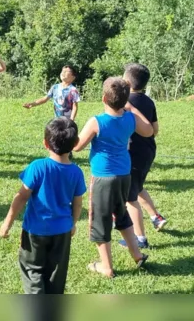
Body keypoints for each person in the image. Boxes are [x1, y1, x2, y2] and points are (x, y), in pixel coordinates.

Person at [73, 77, 154, 278]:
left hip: (103, 177)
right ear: (126, 100)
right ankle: (136, 254)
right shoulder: (130, 118)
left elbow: (77, 146)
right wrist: (131, 108)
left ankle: (106, 267)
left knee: (100, 220)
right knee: (122, 214)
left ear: (103, 98)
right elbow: (149, 130)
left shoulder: (97, 121)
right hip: (124, 175)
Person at [0, 117, 86, 294]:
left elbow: (21, 197)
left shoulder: (38, 167)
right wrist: (73, 223)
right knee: (56, 274)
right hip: (62, 231)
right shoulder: (76, 172)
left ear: (45, 143)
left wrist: (7, 223)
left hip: (35, 232)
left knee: (32, 270)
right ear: (76, 143)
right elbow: (78, 204)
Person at [118, 64, 167, 250]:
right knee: (137, 187)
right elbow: (154, 130)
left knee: (130, 199)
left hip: (132, 153)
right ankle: (156, 217)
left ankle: (140, 239)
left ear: (127, 81)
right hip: (148, 152)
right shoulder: (148, 101)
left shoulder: (124, 102)